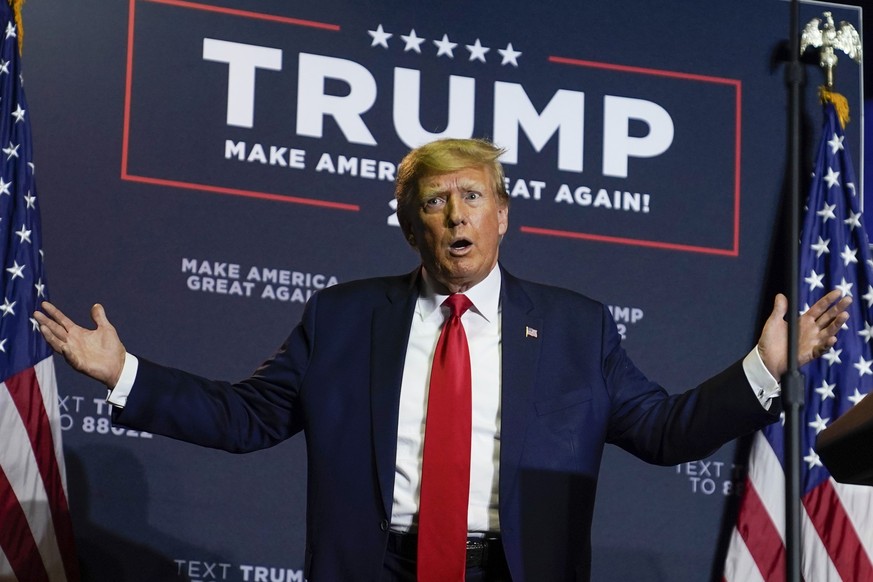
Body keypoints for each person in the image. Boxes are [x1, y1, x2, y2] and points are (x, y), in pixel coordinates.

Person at [35, 138, 850, 582]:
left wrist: (763, 370)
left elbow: (664, 430)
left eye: (471, 197)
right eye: (433, 201)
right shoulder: (344, 317)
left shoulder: (577, 328)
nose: (454, 215)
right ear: (408, 224)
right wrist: (124, 374)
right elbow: (248, 418)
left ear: (504, 216)